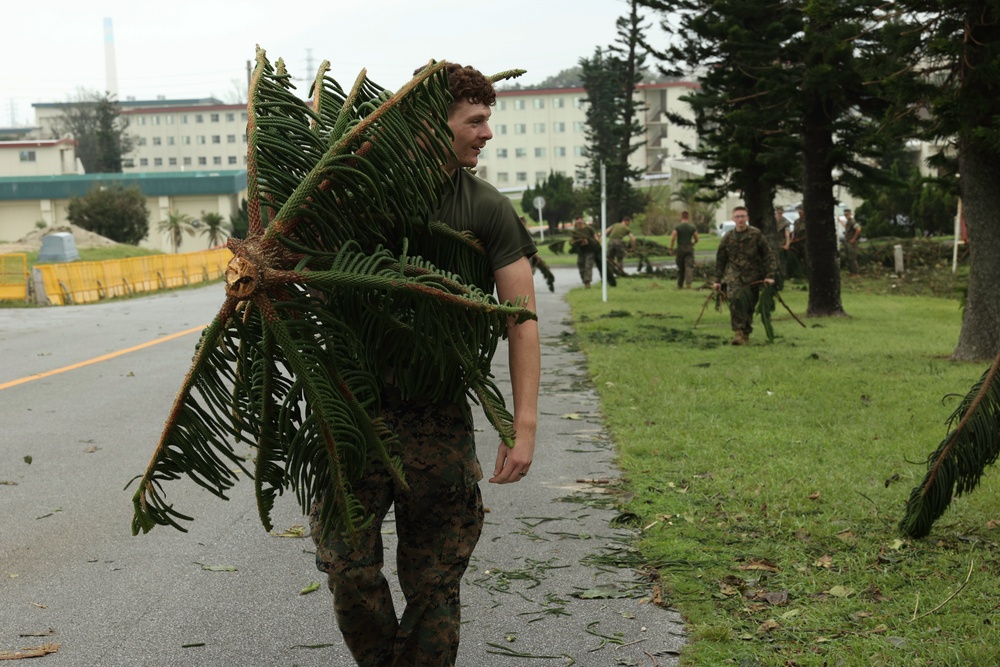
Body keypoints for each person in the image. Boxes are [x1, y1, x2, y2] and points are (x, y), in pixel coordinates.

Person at [311, 62, 540, 667]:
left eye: (487, 119)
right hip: (351, 414)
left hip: (436, 418)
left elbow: (522, 317)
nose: (487, 133)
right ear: (428, 126)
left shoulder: (488, 208)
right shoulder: (355, 201)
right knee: (345, 567)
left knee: (435, 579)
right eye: (475, 120)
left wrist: (523, 426)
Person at [712, 206, 777, 346]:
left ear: (747, 218)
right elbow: (721, 260)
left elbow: (767, 255)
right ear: (733, 219)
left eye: (743, 216)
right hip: (734, 276)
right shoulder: (728, 237)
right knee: (735, 300)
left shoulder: (756, 235)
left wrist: (769, 275)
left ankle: (745, 332)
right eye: (737, 217)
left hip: (753, 276)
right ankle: (738, 332)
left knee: (748, 306)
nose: (740, 219)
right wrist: (717, 280)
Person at [668, 210, 699, 289]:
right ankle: (688, 283)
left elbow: (673, 238)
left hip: (680, 248)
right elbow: (696, 238)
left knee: (681, 267)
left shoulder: (678, 227)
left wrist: (671, 249)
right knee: (689, 266)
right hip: (689, 248)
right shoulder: (692, 227)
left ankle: (680, 284)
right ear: (688, 217)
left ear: (681, 217)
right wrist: (693, 242)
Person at [568, 215, 598, 288]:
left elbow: (596, 238)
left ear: (582, 221)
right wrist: (579, 242)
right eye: (578, 222)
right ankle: (584, 280)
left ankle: (587, 282)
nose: (579, 224)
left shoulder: (589, 229)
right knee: (581, 266)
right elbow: (571, 241)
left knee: (588, 266)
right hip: (580, 251)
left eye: (580, 222)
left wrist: (590, 241)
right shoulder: (575, 231)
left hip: (590, 250)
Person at [790, 204, 809, 280]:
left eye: (801, 212)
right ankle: (798, 274)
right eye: (799, 212)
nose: (799, 213)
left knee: (806, 259)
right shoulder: (797, 221)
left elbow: (808, 235)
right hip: (797, 244)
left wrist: (799, 239)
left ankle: (808, 275)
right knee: (796, 259)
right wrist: (793, 239)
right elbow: (794, 232)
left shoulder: (808, 221)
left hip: (805, 243)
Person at [841, 208, 861, 275]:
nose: (846, 216)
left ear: (850, 214)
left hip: (851, 243)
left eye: (847, 214)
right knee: (848, 258)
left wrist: (853, 239)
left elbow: (858, 229)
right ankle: (851, 272)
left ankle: (855, 273)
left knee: (852, 258)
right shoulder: (848, 222)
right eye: (845, 215)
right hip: (847, 242)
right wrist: (840, 221)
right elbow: (846, 228)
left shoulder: (852, 221)